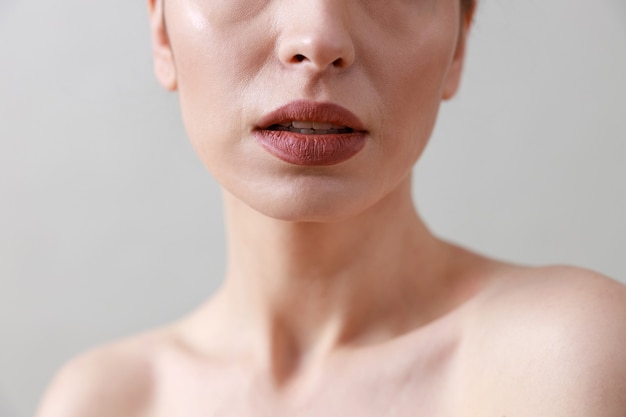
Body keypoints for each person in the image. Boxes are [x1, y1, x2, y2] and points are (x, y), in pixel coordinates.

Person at [37, 0, 626, 415]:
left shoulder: (573, 359)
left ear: (459, 45)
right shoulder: (101, 402)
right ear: (161, 30)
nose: (318, 41)